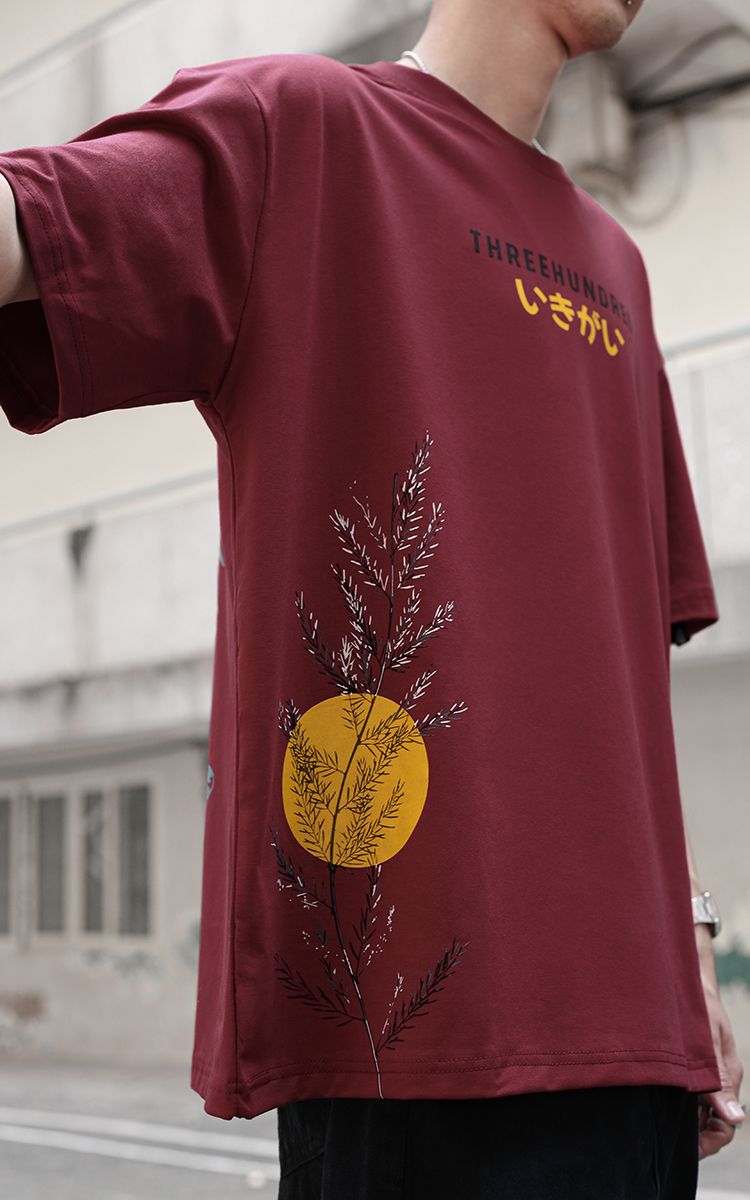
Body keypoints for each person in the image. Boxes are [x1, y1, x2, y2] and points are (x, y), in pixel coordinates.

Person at [0, 0, 745, 1195]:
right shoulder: (305, 131)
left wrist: (689, 931)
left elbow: (621, 677)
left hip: (638, 1053)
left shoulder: (616, 265)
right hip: (414, 1044)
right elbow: (36, 228)